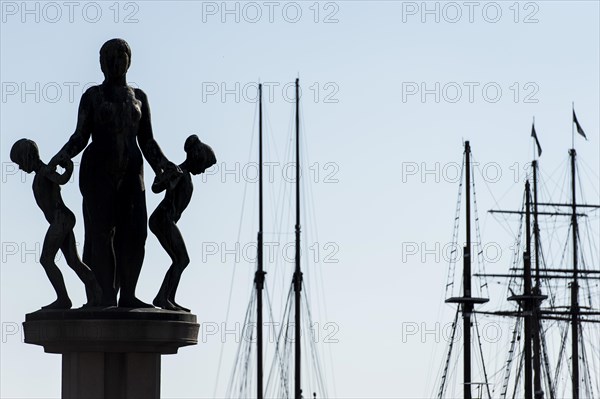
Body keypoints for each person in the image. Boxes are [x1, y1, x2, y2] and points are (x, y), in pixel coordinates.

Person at [49, 39, 179, 307]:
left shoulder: (139, 97)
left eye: (120, 56)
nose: (114, 62)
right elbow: (80, 136)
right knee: (100, 234)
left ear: (129, 61)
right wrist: (61, 156)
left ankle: (128, 295)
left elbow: (148, 140)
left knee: (135, 234)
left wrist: (163, 165)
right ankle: (105, 296)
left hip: (132, 172)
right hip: (98, 173)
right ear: (100, 63)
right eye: (108, 57)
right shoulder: (93, 96)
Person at [10, 139, 102, 309]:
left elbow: (62, 179)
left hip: (61, 219)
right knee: (73, 261)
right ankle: (97, 295)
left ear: (27, 157)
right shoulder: (41, 173)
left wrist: (69, 167)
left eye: (20, 163)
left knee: (46, 259)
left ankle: (64, 299)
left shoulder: (45, 171)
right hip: (60, 220)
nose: (20, 168)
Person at [150, 135, 216, 312]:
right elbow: (155, 187)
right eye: (203, 166)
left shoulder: (185, 175)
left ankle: (167, 297)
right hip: (162, 219)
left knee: (179, 259)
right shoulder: (178, 172)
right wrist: (168, 178)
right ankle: (163, 297)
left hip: (167, 220)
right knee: (182, 259)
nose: (203, 171)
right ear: (197, 158)